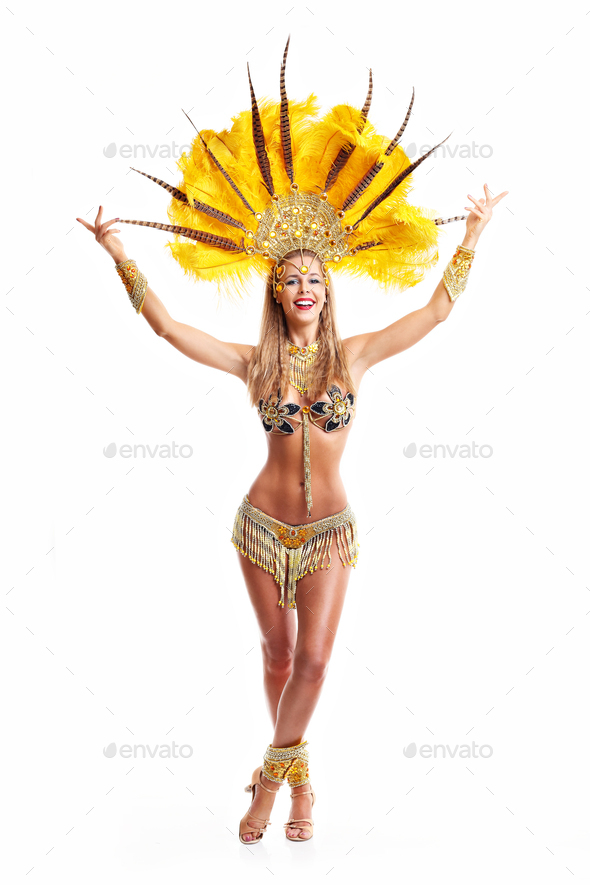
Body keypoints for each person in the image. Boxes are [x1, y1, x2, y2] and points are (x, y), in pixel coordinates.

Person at [77, 40, 507, 843]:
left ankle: (269, 786)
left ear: (327, 288)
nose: (303, 288)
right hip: (257, 530)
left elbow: (436, 313)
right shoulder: (255, 362)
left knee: (311, 665)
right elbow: (172, 329)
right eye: (290, 279)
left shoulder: (357, 355)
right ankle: (307, 781)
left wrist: (474, 234)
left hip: (329, 535)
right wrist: (120, 255)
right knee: (276, 663)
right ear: (277, 292)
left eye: (313, 277)